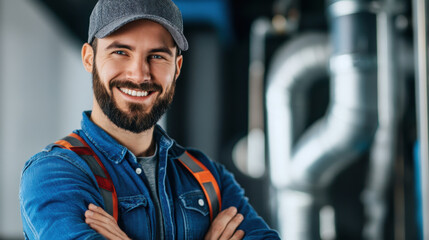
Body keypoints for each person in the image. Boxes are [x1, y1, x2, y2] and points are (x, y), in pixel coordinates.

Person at [19, 0, 280, 239]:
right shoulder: (54, 174)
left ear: (176, 68)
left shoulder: (207, 176)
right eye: (121, 52)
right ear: (90, 58)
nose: (140, 74)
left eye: (156, 56)